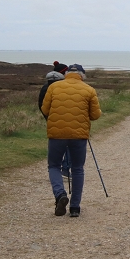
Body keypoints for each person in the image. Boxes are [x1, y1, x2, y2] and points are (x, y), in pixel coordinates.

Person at [41, 64, 101, 217]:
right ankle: (75, 208)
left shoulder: (54, 87)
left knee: (54, 165)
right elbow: (95, 115)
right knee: (77, 168)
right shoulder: (89, 90)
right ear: (82, 75)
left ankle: (60, 194)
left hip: (56, 134)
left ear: (66, 74)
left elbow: (45, 109)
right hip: (79, 135)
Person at [38, 62, 72, 182]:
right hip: (64, 121)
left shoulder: (45, 87)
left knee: (56, 145)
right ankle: (65, 168)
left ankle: (55, 168)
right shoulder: (60, 87)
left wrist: (48, 118)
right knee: (69, 143)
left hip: (52, 122)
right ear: (62, 73)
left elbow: (41, 106)